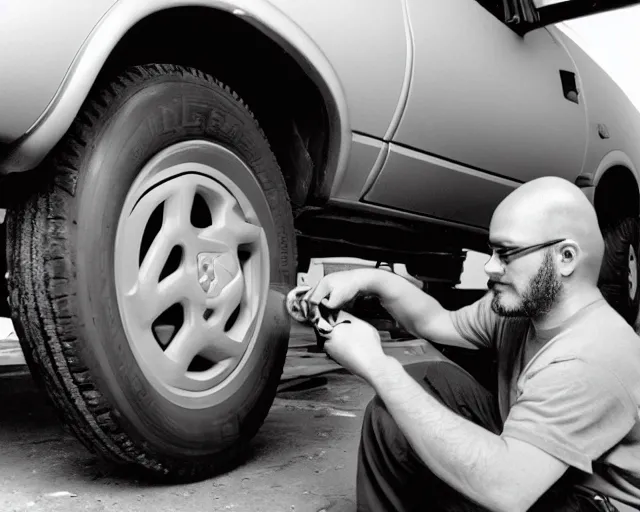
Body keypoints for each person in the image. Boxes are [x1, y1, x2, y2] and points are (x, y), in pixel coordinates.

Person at [303, 177, 640, 512]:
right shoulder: (521, 311)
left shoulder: (591, 358)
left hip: (586, 501)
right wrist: (366, 280)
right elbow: (434, 321)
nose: (490, 267)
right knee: (415, 393)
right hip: (536, 470)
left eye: (506, 254)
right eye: (492, 251)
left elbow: (506, 492)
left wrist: (377, 366)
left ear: (565, 257)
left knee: (410, 402)